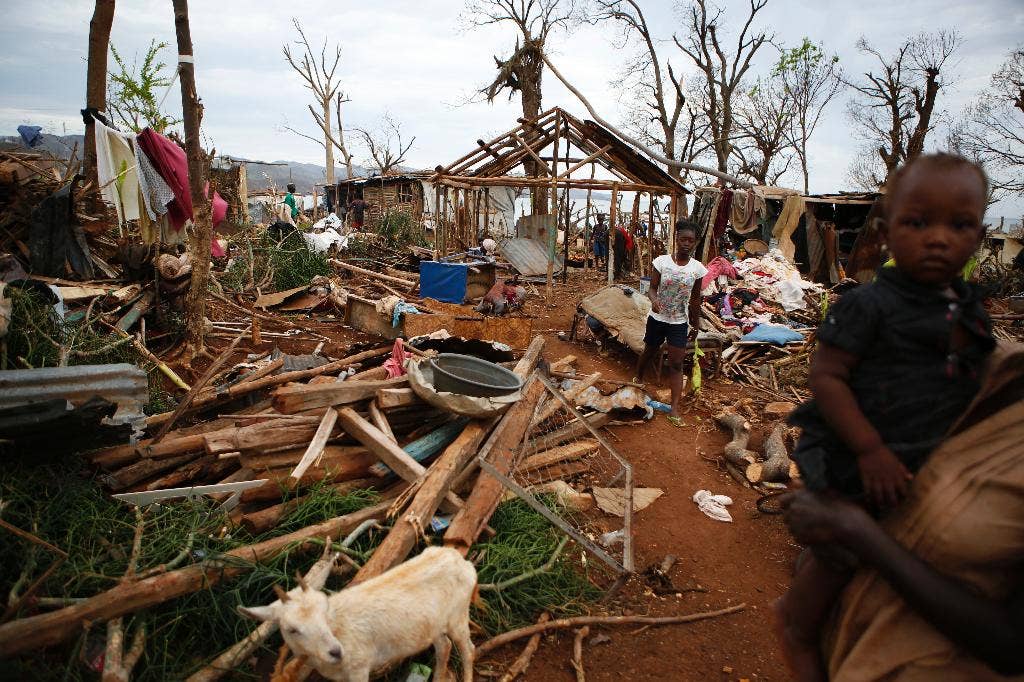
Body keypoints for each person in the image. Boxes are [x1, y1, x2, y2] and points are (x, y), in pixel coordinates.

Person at [775, 153, 995, 681]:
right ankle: (805, 640)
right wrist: (870, 449)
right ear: (884, 231)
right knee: (826, 576)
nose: (938, 238)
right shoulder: (866, 306)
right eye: (918, 223)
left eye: (959, 225)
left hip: (930, 461)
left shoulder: (968, 310)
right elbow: (826, 378)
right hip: (860, 460)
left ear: (980, 235)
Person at [634, 220, 707, 426]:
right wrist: (654, 300)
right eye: (683, 239)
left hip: (679, 322)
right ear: (676, 239)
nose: (686, 243)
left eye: (690, 241)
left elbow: (694, 299)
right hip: (657, 318)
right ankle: (638, 377)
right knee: (650, 350)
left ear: (695, 243)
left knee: (676, 363)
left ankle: (674, 407)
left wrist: (695, 324)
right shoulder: (662, 262)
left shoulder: (697, 269)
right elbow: (652, 288)